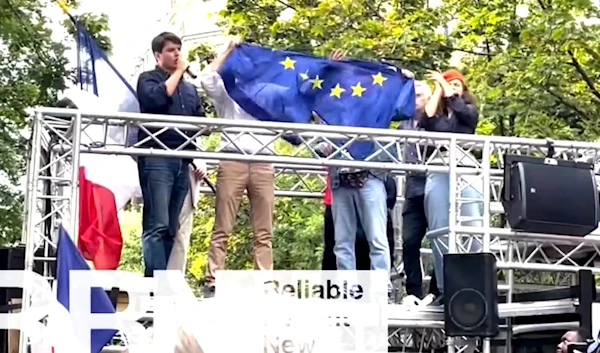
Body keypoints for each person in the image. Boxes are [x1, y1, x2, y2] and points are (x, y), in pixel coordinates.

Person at [199, 40, 276, 298]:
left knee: (264, 230)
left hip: (264, 162)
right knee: (223, 225)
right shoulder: (228, 90)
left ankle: (264, 283)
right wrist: (228, 50)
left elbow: (301, 94)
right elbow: (206, 79)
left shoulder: (271, 93)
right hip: (232, 160)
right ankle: (213, 280)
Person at [136, 32, 205, 277]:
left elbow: (200, 122)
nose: (177, 54)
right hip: (157, 157)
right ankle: (153, 285)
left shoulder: (189, 90)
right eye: (171, 50)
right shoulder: (148, 79)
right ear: (158, 55)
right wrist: (177, 73)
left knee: (171, 227)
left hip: (182, 160)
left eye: (179, 49)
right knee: (157, 223)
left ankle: (161, 282)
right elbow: (154, 100)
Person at [419, 69, 481, 305]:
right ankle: (446, 287)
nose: (452, 88)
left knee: (472, 225)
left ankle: (474, 284)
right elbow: (426, 117)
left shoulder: (468, 110)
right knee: (439, 228)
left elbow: (467, 116)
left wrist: (449, 90)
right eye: (450, 84)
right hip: (439, 165)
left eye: (457, 84)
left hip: (465, 165)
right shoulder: (440, 114)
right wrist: (437, 88)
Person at [399, 80, 438, 306]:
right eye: (412, 96)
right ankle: (413, 291)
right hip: (413, 189)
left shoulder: (436, 121)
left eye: (419, 95)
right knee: (409, 241)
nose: (414, 100)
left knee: (438, 241)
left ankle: (436, 290)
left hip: (434, 186)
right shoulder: (403, 122)